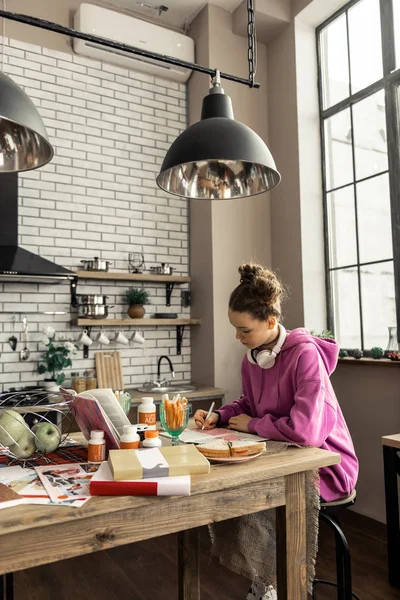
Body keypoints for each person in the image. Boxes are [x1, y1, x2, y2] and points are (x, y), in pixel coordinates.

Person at [194, 263, 358, 502]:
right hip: (285, 451)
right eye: (235, 328)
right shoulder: (253, 358)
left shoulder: (305, 355)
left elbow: (306, 433)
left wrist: (253, 425)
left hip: (326, 466)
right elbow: (249, 405)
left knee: (243, 493)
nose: (238, 337)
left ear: (271, 322)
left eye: (245, 330)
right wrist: (220, 416)